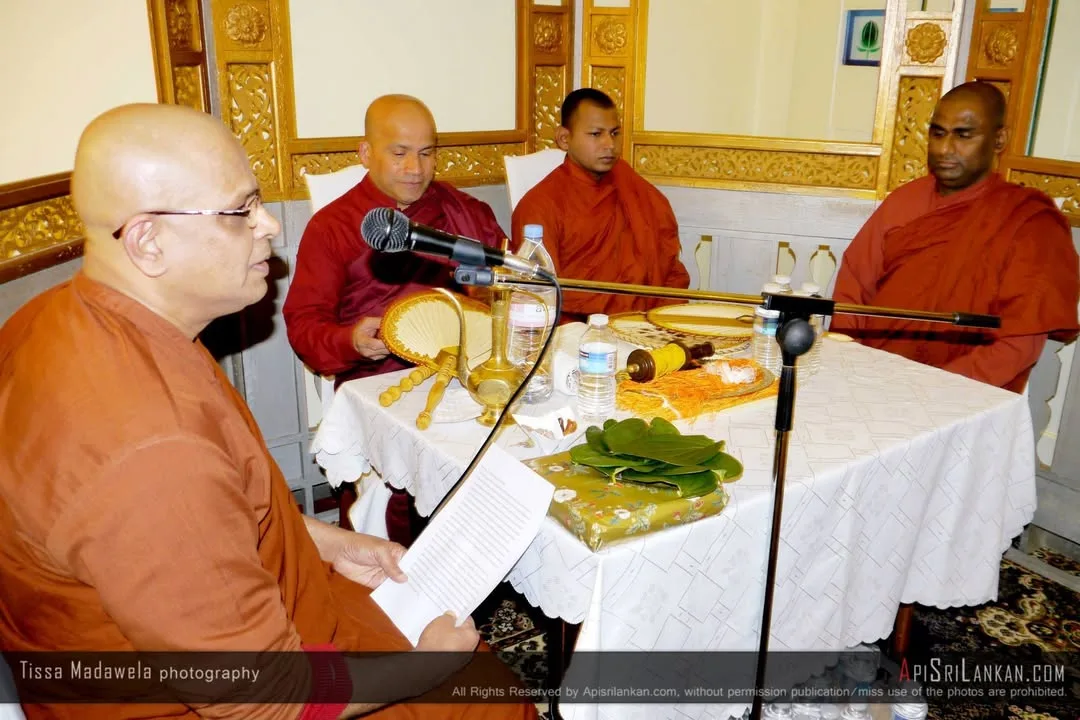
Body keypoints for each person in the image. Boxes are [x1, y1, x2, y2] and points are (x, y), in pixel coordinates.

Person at [0, 103, 535, 720]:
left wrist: (328, 543)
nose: (270, 227)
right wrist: (426, 668)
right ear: (148, 240)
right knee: (484, 688)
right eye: (240, 211)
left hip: (217, 624)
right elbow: (257, 700)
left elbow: (215, 515)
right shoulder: (152, 453)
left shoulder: (60, 318)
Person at [283, 94, 507, 544]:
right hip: (382, 382)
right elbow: (304, 323)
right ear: (366, 153)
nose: (416, 169)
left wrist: (498, 294)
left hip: (468, 375)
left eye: (427, 153)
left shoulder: (466, 212)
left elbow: (509, 283)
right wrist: (351, 341)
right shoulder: (333, 227)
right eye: (399, 153)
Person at [831, 81, 1079, 392]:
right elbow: (853, 291)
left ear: (998, 139)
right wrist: (851, 360)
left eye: (963, 135)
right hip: (871, 377)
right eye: (937, 133)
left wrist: (932, 388)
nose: (945, 149)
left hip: (964, 394)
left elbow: (1019, 343)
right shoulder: (906, 200)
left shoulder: (1029, 224)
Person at [510, 88, 690, 321]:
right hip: (577, 333)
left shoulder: (632, 187)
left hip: (648, 324)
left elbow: (669, 269)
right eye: (596, 134)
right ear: (565, 139)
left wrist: (658, 322)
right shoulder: (540, 206)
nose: (609, 145)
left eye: (615, 133)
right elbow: (539, 296)